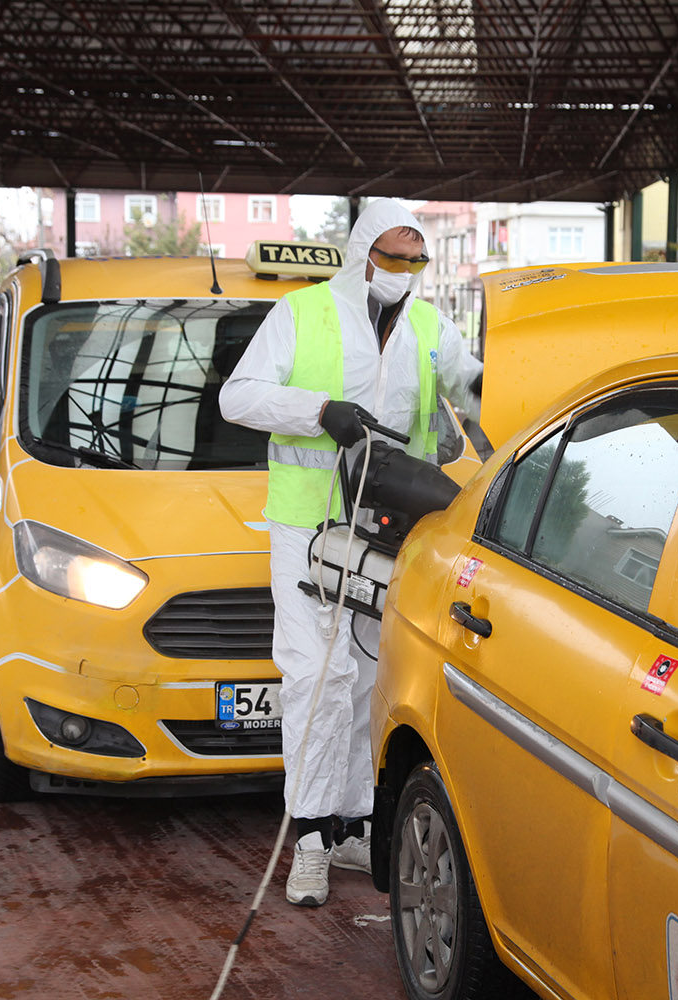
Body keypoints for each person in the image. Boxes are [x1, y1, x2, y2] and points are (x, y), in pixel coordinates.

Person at [220, 199, 482, 906]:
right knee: (315, 675)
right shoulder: (301, 314)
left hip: (394, 531)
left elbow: (473, 387)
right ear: (363, 251)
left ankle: (353, 823)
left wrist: (504, 394)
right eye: (393, 258)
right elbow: (237, 397)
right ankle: (307, 835)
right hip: (309, 529)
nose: (404, 272)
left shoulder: (429, 325)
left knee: (371, 679)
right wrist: (319, 412)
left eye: (415, 261)